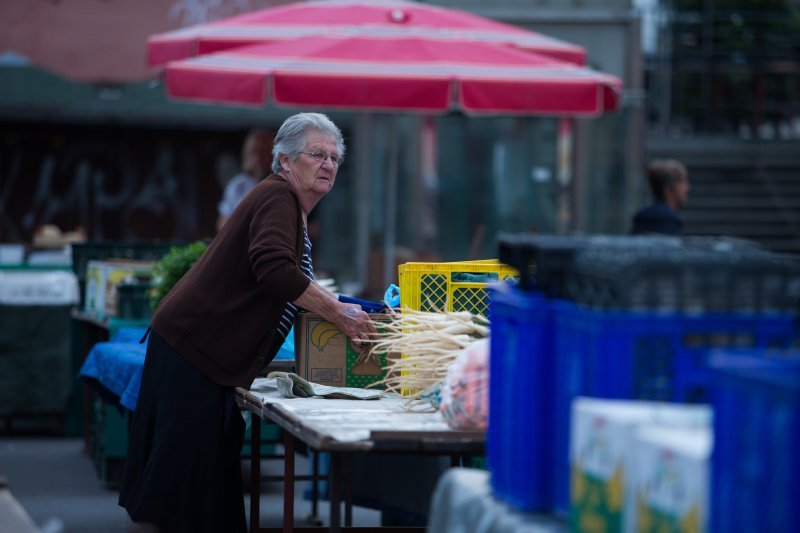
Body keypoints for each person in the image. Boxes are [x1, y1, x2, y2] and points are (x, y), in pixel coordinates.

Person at [119, 113, 378, 533]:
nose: (328, 164)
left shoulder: (287, 206)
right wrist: (338, 312)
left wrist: (340, 307)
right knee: (184, 490)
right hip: (193, 351)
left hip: (201, 354)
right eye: (317, 154)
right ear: (285, 160)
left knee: (205, 486)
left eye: (334, 157)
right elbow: (274, 270)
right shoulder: (279, 197)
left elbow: (283, 281)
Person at [216, 128, 274, 232]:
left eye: (265, 151)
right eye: (256, 150)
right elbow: (223, 222)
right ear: (248, 152)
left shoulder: (279, 184)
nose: (260, 156)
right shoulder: (237, 185)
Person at [631, 159, 691, 235]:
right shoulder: (667, 219)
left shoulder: (641, 215)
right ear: (669, 190)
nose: (688, 188)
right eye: (682, 182)